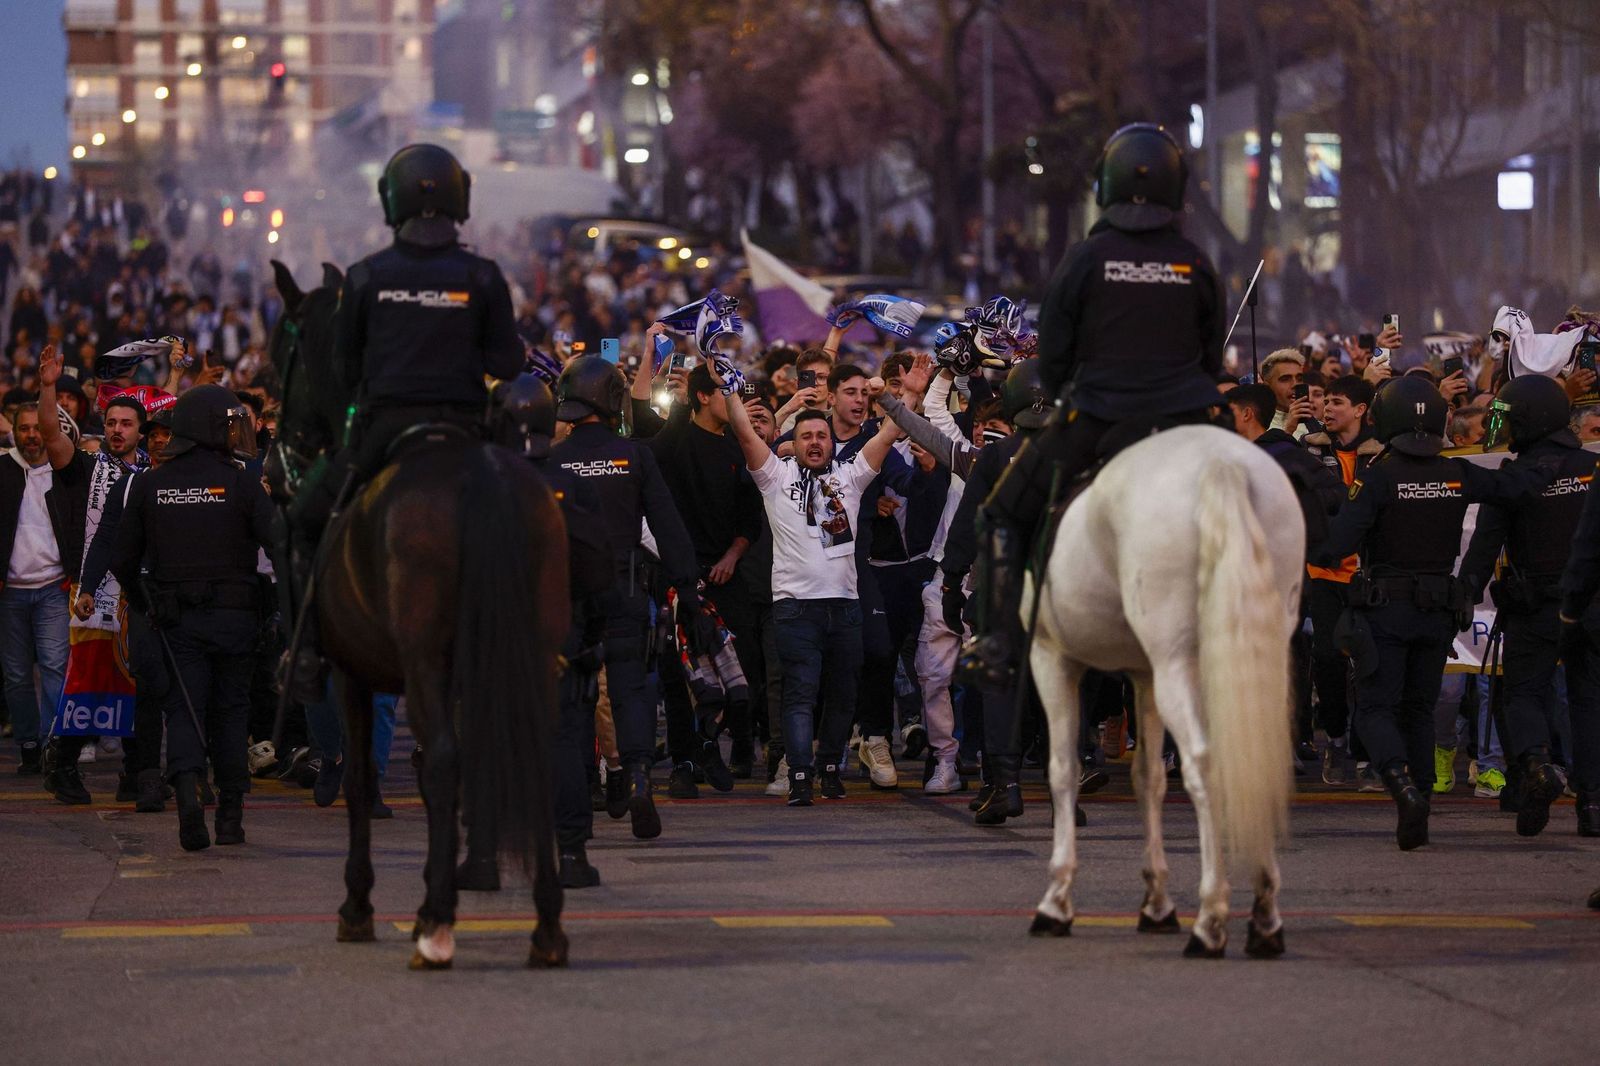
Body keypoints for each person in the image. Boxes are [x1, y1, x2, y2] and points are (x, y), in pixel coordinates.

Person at [965, 123, 1225, 685]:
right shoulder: (1196, 262)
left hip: (1099, 417)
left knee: (1001, 514)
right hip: (1185, 417)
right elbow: (1212, 353)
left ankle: (994, 642)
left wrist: (1062, 397)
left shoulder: (1086, 257)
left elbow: (1054, 350)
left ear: (1105, 184)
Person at [286, 143, 523, 690]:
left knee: (302, 523)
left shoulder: (366, 276)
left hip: (385, 433)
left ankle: (307, 655)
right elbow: (508, 362)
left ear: (391, 199)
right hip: (466, 430)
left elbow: (345, 369)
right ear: (459, 195)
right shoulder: (483, 275)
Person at [1309, 376, 1551, 851]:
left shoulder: (1377, 476)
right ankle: (1420, 794)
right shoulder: (1458, 474)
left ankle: (1401, 785)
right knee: (1421, 707)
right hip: (1439, 611)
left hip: (1385, 610)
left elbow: (1337, 546)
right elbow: (1517, 487)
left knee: (1378, 707)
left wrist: (1321, 512)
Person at [714, 353, 899, 805]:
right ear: (791, 444)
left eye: (821, 435)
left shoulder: (852, 477)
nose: (814, 441)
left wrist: (903, 396)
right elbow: (742, 430)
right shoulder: (774, 477)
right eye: (805, 437)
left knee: (841, 697)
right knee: (800, 694)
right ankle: (799, 775)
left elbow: (894, 430)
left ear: (832, 444)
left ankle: (830, 767)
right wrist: (727, 386)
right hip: (795, 607)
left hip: (845, 605)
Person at [548, 354, 713, 840]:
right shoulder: (634, 456)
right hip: (624, 591)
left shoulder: (552, 461)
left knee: (576, 699)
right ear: (613, 401)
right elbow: (669, 527)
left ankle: (582, 791)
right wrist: (689, 593)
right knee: (631, 690)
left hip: (569, 599)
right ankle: (639, 777)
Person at [110, 385, 276, 851]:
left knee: (183, 707)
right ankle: (230, 817)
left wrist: (147, 603)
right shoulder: (241, 482)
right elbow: (277, 542)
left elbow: (123, 559)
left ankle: (186, 792)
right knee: (230, 711)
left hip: (176, 620)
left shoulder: (150, 483)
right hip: (237, 618)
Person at [1458, 374, 1593, 837]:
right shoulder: (1593, 470)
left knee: (1521, 694)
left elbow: (1482, 551)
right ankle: (1592, 808)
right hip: (1591, 607)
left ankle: (1537, 767)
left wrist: (1462, 597)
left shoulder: (1512, 480)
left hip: (1535, 607)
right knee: (1588, 699)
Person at [37, 344, 147, 802]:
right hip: (91, 596)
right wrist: (47, 387)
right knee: (87, 682)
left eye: (126, 424)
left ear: (142, 431)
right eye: (112, 423)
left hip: (138, 597)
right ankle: (61, 764)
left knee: (139, 683)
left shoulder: (152, 476)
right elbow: (50, 436)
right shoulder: (85, 468)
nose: (117, 431)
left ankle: (137, 773)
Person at [0, 403, 72, 777]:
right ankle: (29, 743)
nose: (31, 435)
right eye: (23, 428)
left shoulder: (63, 472)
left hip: (53, 588)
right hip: (9, 591)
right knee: (15, 674)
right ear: (13, 432)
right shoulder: (2, 471)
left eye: (36, 428)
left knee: (55, 668)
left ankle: (53, 745)